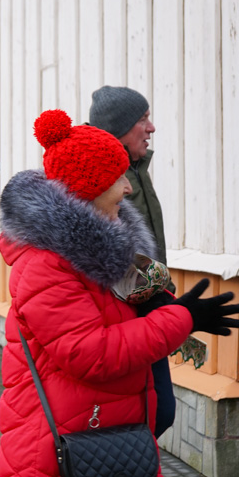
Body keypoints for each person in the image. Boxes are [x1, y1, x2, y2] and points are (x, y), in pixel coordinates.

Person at [0, 109, 239, 477]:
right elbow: (93, 353)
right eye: (118, 178)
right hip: (62, 460)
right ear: (88, 188)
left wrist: (170, 307)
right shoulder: (46, 266)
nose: (128, 188)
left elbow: (124, 312)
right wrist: (179, 320)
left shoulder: (103, 254)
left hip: (108, 440)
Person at [89, 85, 175, 438]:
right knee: (153, 413)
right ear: (117, 128)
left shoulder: (136, 168)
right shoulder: (97, 175)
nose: (151, 127)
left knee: (158, 413)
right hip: (126, 318)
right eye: (143, 119)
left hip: (149, 308)